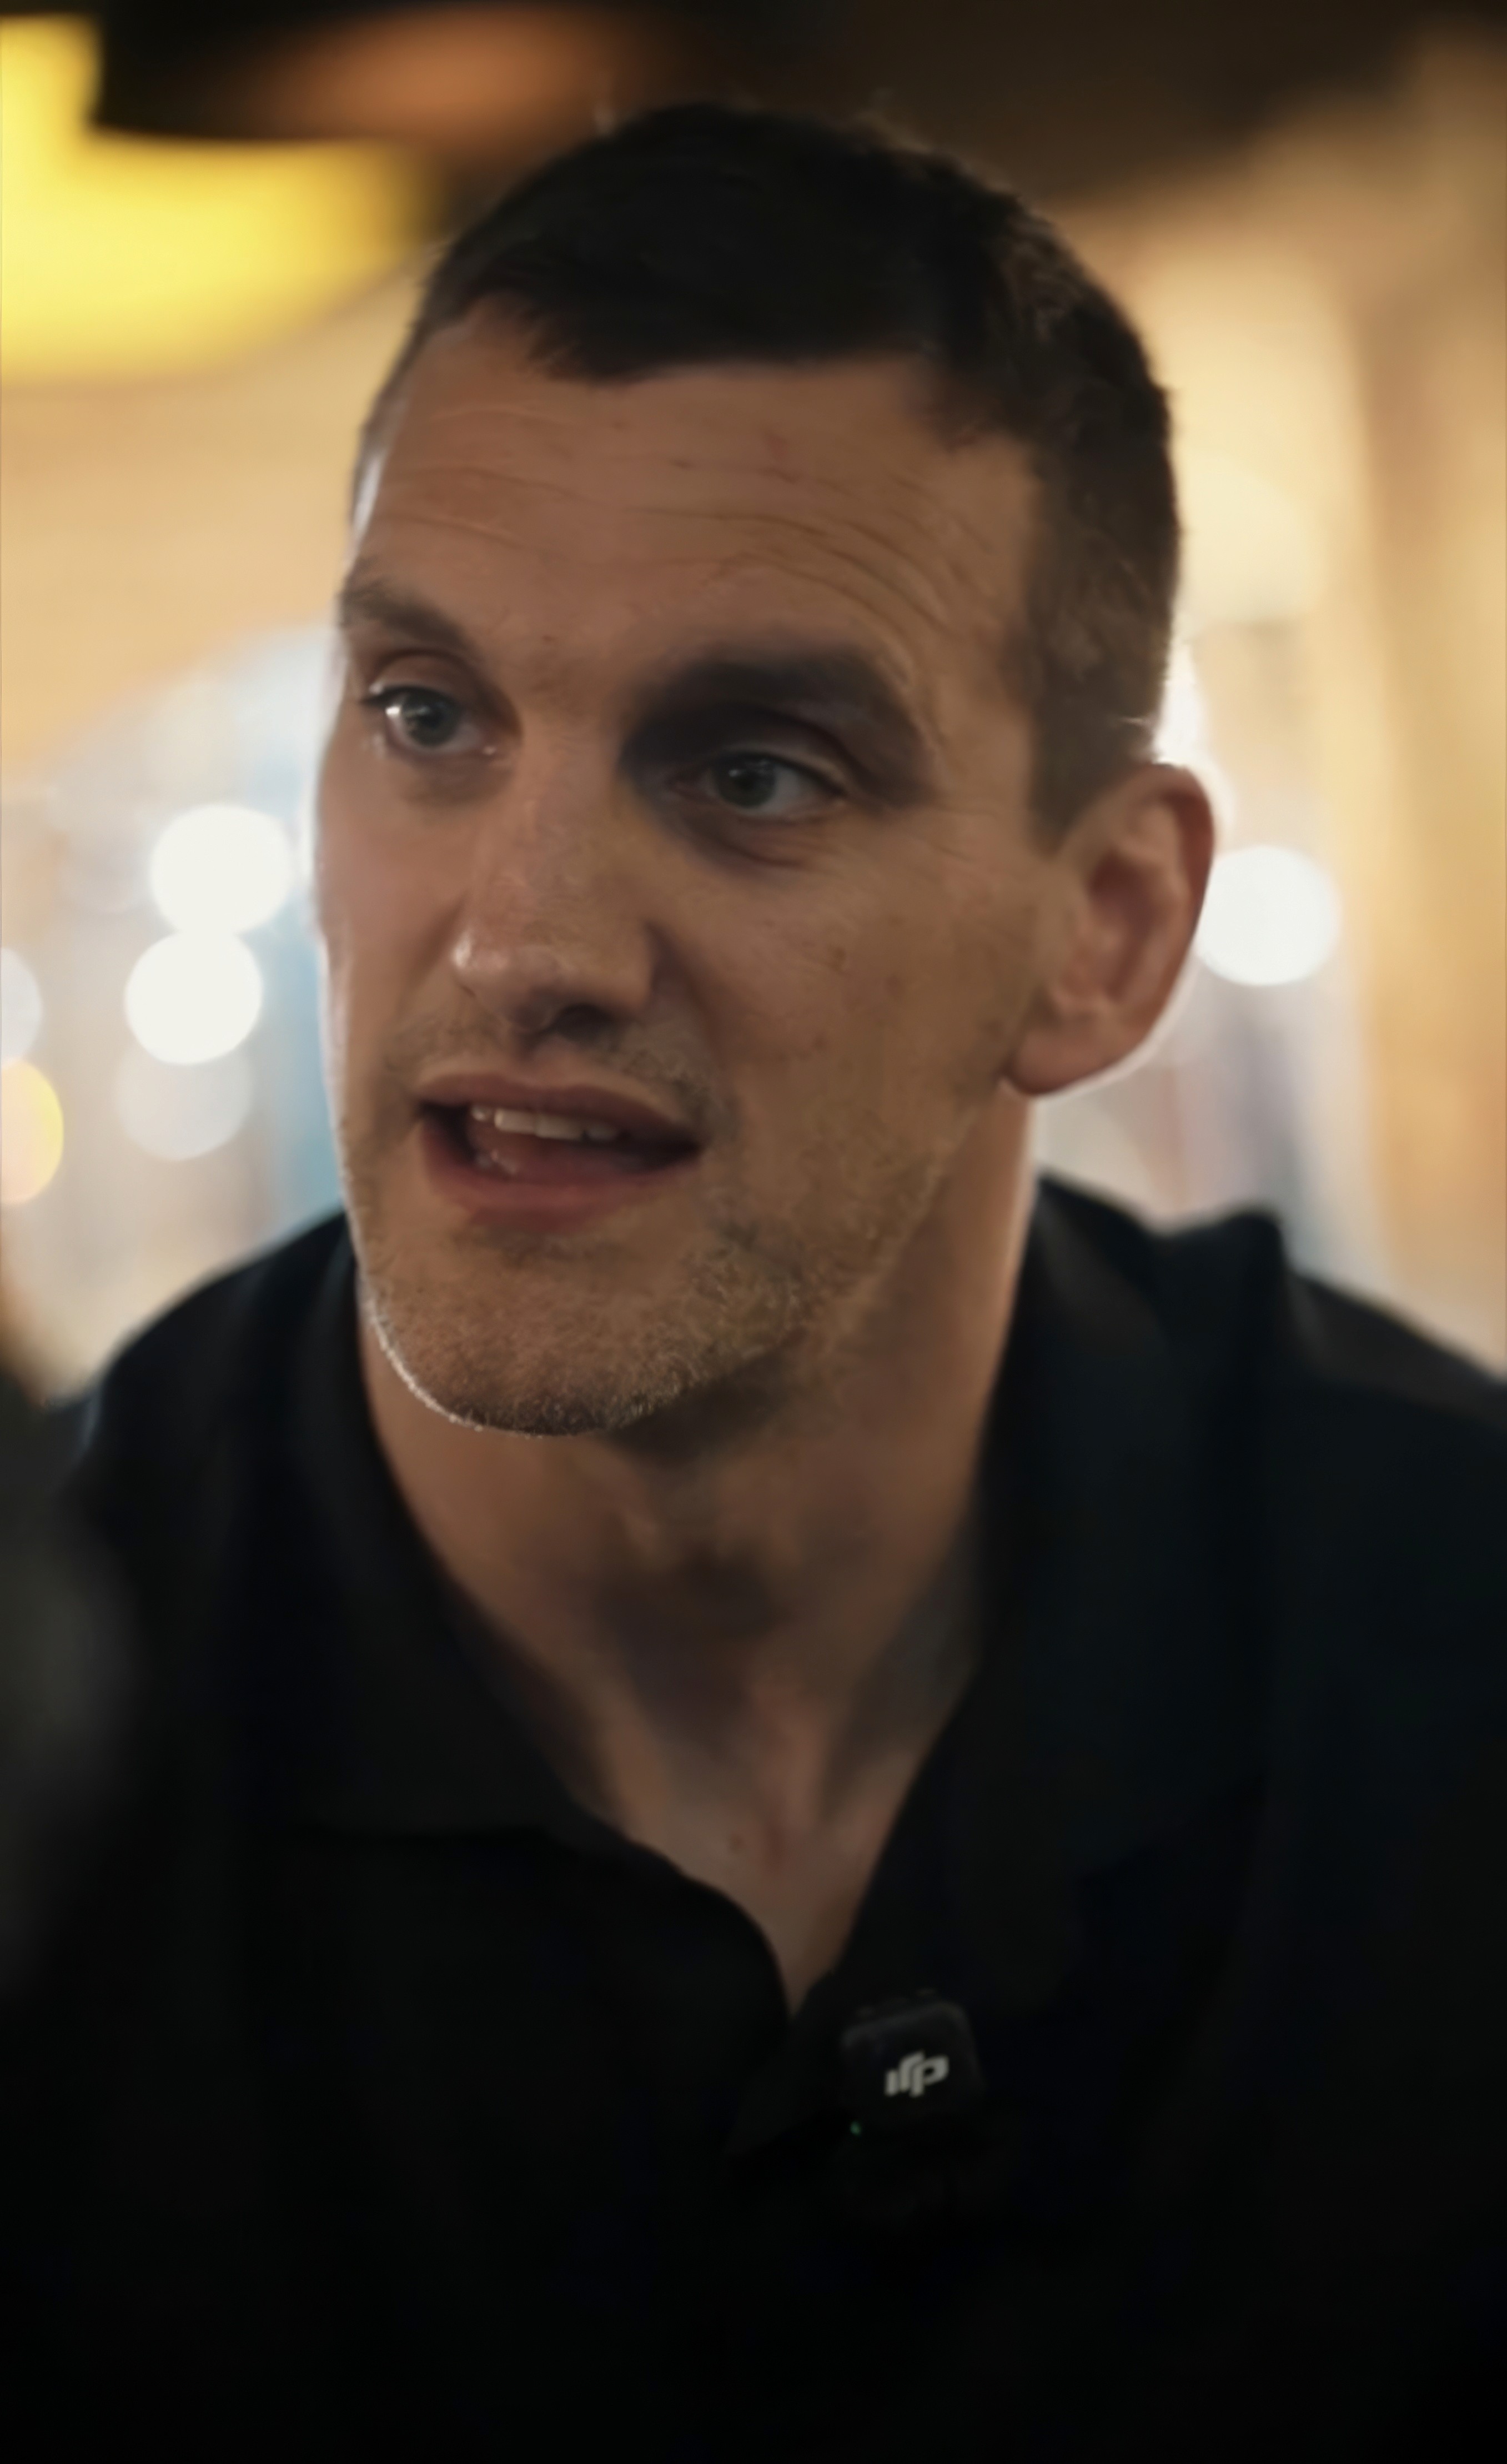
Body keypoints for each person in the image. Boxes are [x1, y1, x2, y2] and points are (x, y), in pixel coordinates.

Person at [3, 101, 1503, 2464]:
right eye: (426, 718)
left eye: (756, 773)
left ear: (1100, 932)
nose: (520, 935)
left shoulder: (1436, 1643)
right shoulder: (62, 1732)